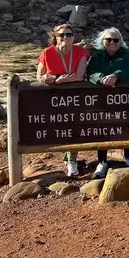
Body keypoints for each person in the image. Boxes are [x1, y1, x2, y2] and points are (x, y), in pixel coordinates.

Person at [36, 23, 90, 177]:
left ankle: (72, 160)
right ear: (55, 37)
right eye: (61, 35)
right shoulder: (47, 53)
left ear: (74, 37)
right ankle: (66, 156)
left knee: (74, 126)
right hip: (53, 98)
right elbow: (39, 76)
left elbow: (79, 76)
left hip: (74, 97)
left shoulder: (80, 52)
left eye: (69, 34)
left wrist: (58, 80)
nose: (65, 37)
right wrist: (49, 79)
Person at [86, 27, 129, 178]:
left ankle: (128, 157)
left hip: (124, 99)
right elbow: (90, 73)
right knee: (103, 128)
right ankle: (102, 161)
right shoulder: (97, 56)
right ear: (102, 41)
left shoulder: (127, 55)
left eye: (116, 40)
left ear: (120, 41)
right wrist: (101, 78)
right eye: (108, 39)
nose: (112, 42)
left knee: (126, 126)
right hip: (103, 100)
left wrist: (117, 75)